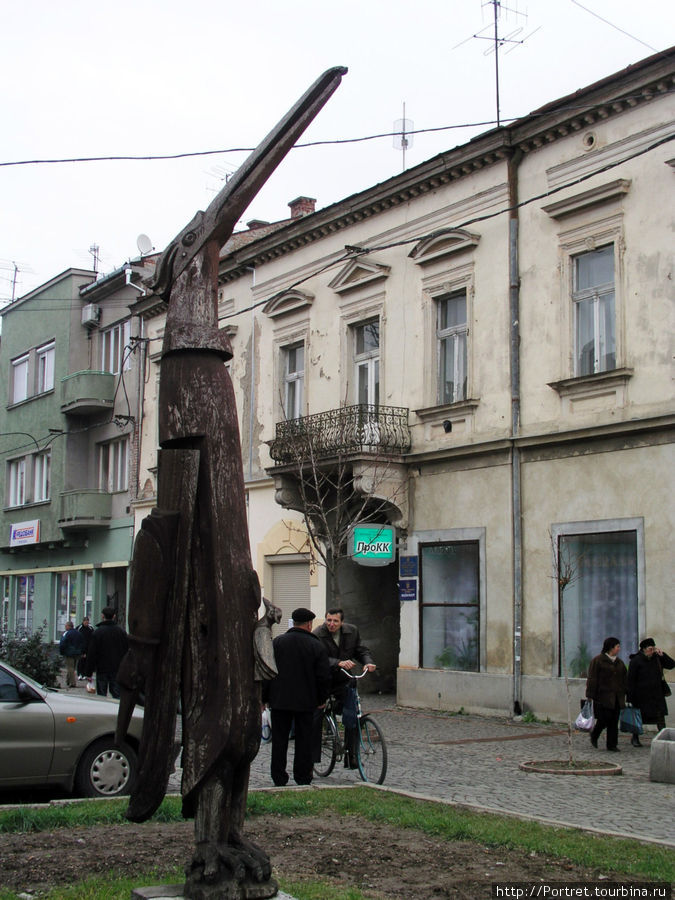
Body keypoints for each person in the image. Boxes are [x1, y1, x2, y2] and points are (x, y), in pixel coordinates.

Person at [263, 607, 330, 786]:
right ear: (309, 624)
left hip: (279, 700)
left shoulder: (277, 643)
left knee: (279, 740)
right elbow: (323, 677)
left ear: (293, 622)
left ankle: (278, 776)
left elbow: (267, 672)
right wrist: (322, 699)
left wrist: (264, 698)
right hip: (306, 702)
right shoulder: (317, 646)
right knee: (304, 740)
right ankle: (302, 776)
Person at [313, 607, 376, 767]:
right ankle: (312, 760)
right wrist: (337, 662)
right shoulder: (317, 635)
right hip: (324, 681)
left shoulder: (352, 632)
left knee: (352, 715)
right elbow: (316, 658)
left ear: (342, 622)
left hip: (344, 680)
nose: (331, 624)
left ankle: (352, 755)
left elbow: (360, 650)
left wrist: (367, 661)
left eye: (335, 621)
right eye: (328, 620)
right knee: (315, 716)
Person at [627, 637, 674, 744]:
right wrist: (630, 697)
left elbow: (671, 665)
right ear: (644, 649)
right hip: (641, 696)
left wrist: (663, 655)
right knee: (638, 718)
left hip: (657, 695)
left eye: (653, 648)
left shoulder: (657, 658)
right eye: (650, 649)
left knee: (660, 718)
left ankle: (663, 739)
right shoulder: (636, 660)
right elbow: (630, 680)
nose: (652, 651)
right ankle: (635, 738)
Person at [586, 636, 627, 752]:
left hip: (617, 697)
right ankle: (595, 734)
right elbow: (592, 679)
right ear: (611, 647)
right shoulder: (598, 661)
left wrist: (626, 691)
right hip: (603, 696)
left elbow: (625, 678)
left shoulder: (619, 663)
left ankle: (612, 744)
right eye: (617, 647)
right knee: (604, 719)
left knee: (614, 721)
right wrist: (590, 695)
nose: (619, 649)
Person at [85, 607, 129, 698]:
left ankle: (104, 710)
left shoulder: (97, 633)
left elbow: (92, 654)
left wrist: (89, 672)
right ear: (114, 616)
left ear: (102, 616)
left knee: (101, 695)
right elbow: (126, 651)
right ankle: (116, 711)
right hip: (117, 668)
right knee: (117, 695)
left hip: (102, 668)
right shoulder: (121, 632)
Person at [59, 621, 85, 688]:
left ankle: (72, 682)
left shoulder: (67, 633)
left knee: (70, 668)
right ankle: (68, 680)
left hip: (69, 653)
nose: (65, 627)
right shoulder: (79, 633)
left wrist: (62, 652)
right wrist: (82, 652)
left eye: (66, 626)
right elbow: (83, 643)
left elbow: (62, 643)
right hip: (77, 653)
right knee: (73, 667)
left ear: (68, 626)